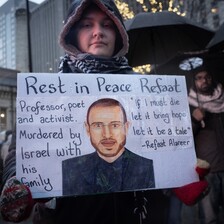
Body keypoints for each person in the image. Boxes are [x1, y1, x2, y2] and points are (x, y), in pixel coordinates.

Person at [0, 0, 210, 223]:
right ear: (72, 33)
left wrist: (182, 174)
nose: (98, 32)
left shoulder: (146, 89)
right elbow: (21, 151)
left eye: (107, 25)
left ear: (119, 32)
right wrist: (16, 183)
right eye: (87, 25)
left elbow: (164, 145)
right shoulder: (46, 92)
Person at [63, 98, 155, 196]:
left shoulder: (147, 167)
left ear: (126, 127)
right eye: (98, 125)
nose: (107, 135)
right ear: (87, 129)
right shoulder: (70, 168)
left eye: (115, 125)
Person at [188, 65, 224, 224]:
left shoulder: (222, 99)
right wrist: (194, 120)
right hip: (207, 170)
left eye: (207, 76)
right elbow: (182, 137)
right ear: (194, 82)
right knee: (210, 218)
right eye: (199, 78)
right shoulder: (187, 105)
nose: (204, 81)